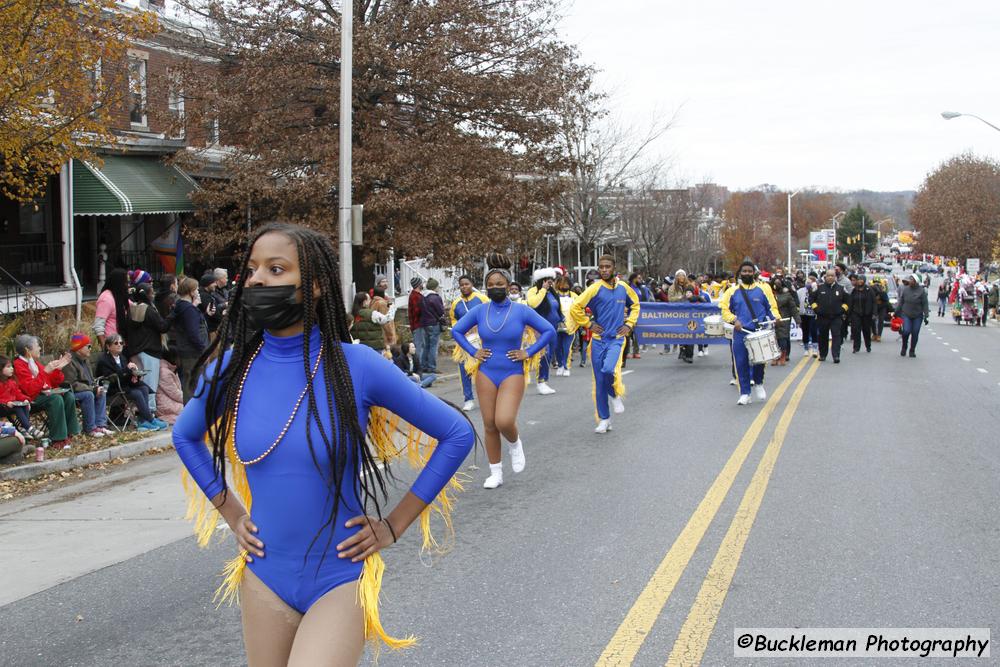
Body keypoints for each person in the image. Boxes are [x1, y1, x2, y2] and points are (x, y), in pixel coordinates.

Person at [173, 222, 475, 665]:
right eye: (253, 269)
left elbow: (456, 433)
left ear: (315, 286)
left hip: (337, 578)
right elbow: (184, 435)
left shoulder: (357, 366)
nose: (257, 280)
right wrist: (232, 512)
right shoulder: (232, 370)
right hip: (264, 576)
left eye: (276, 269)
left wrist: (393, 526)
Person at [451, 253, 555, 487]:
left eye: (500, 284)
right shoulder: (480, 310)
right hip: (486, 371)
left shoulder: (521, 310)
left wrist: (527, 352)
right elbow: (456, 331)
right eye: (490, 285)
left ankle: (515, 444)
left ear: (509, 286)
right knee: (489, 424)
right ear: (486, 287)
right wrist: (473, 351)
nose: (495, 288)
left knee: (504, 421)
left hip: (512, 371)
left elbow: (549, 330)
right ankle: (495, 472)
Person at [569, 254, 640, 433]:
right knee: (599, 381)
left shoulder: (624, 288)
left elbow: (636, 305)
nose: (604, 270)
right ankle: (604, 419)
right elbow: (575, 307)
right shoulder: (594, 288)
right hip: (598, 341)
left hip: (616, 339)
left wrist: (629, 324)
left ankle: (615, 395)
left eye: (607, 266)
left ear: (614, 268)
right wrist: (589, 324)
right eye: (601, 267)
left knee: (608, 369)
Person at [719, 261, 780, 405]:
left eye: (749, 271)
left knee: (760, 360)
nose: (747, 273)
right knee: (741, 363)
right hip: (741, 332)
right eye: (744, 271)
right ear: (740, 273)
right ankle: (745, 393)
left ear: (754, 273)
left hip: (758, 330)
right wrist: (734, 320)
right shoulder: (731, 291)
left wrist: (775, 318)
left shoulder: (764, 289)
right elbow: (724, 310)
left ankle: (759, 383)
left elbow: (772, 307)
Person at [13, 334, 79, 449]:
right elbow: (30, 390)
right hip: (29, 399)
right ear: (27, 350)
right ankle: (57, 439)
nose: (40, 348)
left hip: (42, 394)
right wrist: (46, 371)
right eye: (37, 346)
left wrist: (58, 369)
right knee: (56, 399)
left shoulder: (34, 362)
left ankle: (68, 434)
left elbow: (51, 383)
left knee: (68, 396)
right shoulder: (19, 365)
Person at [96, 334, 166, 432]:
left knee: (144, 388)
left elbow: (125, 374)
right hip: (112, 389)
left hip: (124, 386)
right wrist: (127, 370)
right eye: (116, 343)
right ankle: (150, 419)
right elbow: (111, 378)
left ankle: (143, 421)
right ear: (108, 346)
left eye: (121, 343)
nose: (119, 345)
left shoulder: (122, 357)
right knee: (137, 393)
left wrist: (135, 375)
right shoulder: (104, 361)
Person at [126, 280, 173, 413]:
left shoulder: (131, 309)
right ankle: (149, 412)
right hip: (150, 351)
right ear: (147, 295)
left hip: (136, 351)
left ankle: (140, 410)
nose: (154, 295)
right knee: (150, 384)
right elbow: (162, 327)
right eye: (152, 292)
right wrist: (171, 316)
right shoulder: (149, 310)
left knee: (141, 383)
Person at [449, 275, 489, 411]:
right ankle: (468, 399)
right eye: (461, 285)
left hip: (482, 340)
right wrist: (461, 329)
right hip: (464, 342)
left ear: (472, 284)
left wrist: (480, 327)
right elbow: (453, 320)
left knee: (483, 370)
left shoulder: (482, 299)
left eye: (466, 284)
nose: (464, 287)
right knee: (464, 370)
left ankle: (486, 398)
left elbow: (490, 314)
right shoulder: (456, 303)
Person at [62, 333, 112, 438]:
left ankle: (100, 425)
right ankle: (90, 428)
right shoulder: (69, 361)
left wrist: (96, 387)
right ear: (79, 348)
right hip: (72, 393)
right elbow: (72, 384)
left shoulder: (85, 360)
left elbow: (90, 380)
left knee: (101, 391)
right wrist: (92, 389)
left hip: (86, 390)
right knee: (89, 395)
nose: (90, 348)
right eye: (88, 346)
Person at [525, 268, 562, 396]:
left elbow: (557, 308)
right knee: (544, 354)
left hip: (553, 327)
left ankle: (544, 380)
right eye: (547, 280)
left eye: (551, 280)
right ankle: (541, 382)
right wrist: (543, 290)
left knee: (550, 353)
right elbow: (533, 303)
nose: (550, 282)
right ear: (541, 280)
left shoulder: (553, 292)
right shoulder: (533, 291)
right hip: (539, 329)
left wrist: (562, 319)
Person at [172, 277, 209, 403]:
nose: (198, 291)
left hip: (187, 351)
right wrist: (203, 349)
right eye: (196, 289)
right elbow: (193, 333)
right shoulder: (188, 309)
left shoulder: (182, 306)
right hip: (193, 353)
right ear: (191, 291)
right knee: (192, 386)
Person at [0, 355, 43, 440]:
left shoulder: (11, 382)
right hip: (2, 407)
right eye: (8, 367)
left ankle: (24, 428)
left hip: (11, 405)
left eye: (12, 366)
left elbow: (18, 394)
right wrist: (6, 402)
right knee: (18, 407)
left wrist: (25, 399)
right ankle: (29, 428)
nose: (12, 368)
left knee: (23, 405)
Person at [811, 269, 849, 363]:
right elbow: (811, 299)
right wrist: (816, 309)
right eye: (828, 276)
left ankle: (836, 356)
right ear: (825, 277)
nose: (830, 277)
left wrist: (842, 310)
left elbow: (848, 301)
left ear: (835, 277)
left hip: (836, 317)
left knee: (836, 336)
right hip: (822, 317)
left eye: (832, 276)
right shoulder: (819, 288)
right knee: (823, 336)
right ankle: (823, 355)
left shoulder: (841, 288)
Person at [93, 267, 131, 348]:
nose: (128, 285)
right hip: (112, 347)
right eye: (126, 282)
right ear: (119, 282)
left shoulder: (121, 296)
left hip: (123, 344)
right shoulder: (106, 299)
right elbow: (98, 327)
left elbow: (134, 307)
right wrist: (106, 349)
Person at [896, 273, 929, 358]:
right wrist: (896, 312)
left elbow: (925, 304)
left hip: (917, 315)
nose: (910, 281)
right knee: (906, 331)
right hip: (906, 313)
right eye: (910, 279)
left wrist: (926, 315)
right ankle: (904, 346)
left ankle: (912, 350)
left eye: (912, 279)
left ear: (916, 281)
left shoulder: (922, 291)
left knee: (915, 332)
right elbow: (901, 302)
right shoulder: (906, 290)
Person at [668, 270, 696, 364]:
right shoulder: (672, 288)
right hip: (678, 313)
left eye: (683, 276)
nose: (681, 278)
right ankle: (682, 350)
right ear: (676, 277)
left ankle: (689, 355)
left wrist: (690, 297)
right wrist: (679, 298)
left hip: (689, 313)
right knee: (681, 333)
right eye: (679, 276)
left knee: (690, 332)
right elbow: (670, 299)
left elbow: (694, 296)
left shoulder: (689, 286)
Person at [418, 278, 446, 374]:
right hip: (434, 323)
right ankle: (432, 367)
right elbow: (441, 311)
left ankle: (423, 365)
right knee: (433, 346)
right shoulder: (435, 297)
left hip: (425, 323)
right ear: (434, 287)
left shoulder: (422, 297)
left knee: (426, 345)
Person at [551, 273, 577, 375]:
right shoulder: (554, 296)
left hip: (570, 326)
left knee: (566, 348)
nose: (564, 285)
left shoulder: (574, 296)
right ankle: (560, 365)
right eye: (561, 283)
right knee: (557, 347)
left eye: (566, 283)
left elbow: (579, 310)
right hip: (556, 326)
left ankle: (566, 366)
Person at [772, 278, 799, 366]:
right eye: (775, 283)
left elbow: (793, 308)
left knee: (782, 337)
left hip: (784, 318)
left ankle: (783, 355)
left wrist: (797, 319)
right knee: (773, 338)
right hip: (772, 318)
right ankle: (775, 356)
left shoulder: (787, 295)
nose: (777, 285)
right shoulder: (770, 294)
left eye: (779, 283)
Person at [847, 274, 876, 353]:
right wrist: (848, 314)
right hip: (856, 313)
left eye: (861, 280)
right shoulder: (854, 290)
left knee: (866, 331)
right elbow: (851, 302)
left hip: (866, 314)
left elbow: (874, 302)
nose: (860, 281)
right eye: (859, 279)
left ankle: (868, 346)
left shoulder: (869, 290)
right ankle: (856, 347)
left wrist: (874, 313)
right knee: (856, 330)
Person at [156, 349, 184, 425]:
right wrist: (188, 399)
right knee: (190, 410)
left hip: (171, 401)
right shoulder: (164, 372)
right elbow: (174, 393)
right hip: (165, 404)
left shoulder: (170, 369)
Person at [797, 273, 818, 358]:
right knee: (805, 331)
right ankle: (806, 348)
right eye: (808, 281)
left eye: (812, 281)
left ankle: (815, 348)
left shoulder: (817, 290)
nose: (809, 283)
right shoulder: (801, 291)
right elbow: (797, 300)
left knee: (813, 331)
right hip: (804, 314)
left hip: (813, 314)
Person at [407, 276, 425, 367]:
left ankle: (419, 365)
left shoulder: (415, 295)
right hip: (418, 324)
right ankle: (418, 366)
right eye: (421, 283)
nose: (423, 284)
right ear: (418, 284)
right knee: (418, 346)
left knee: (420, 345)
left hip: (416, 324)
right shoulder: (416, 296)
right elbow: (416, 311)